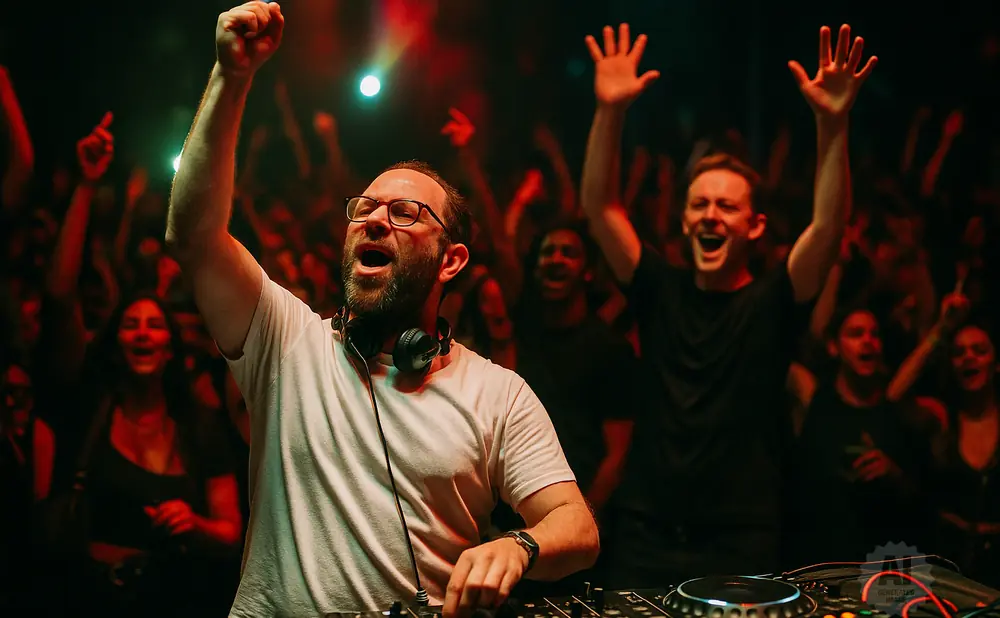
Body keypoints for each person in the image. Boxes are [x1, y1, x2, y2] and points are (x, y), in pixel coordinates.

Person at [165, 3, 599, 617]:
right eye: (365, 207)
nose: (374, 218)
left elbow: (576, 526)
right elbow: (193, 235)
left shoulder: (497, 394)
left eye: (404, 213)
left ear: (450, 262)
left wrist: (520, 545)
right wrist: (230, 77)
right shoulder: (286, 341)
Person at [578, 22, 876, 584]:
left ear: (755, 225)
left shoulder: (774, 299)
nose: (711, 215)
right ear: (685, 219)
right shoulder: (659, 288)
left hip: (742, 541)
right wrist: (609, 112)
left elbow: (829, 227)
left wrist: (833, 123)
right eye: (699, 205)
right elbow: (598, 206)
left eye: (727, 207)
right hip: (645, 532)